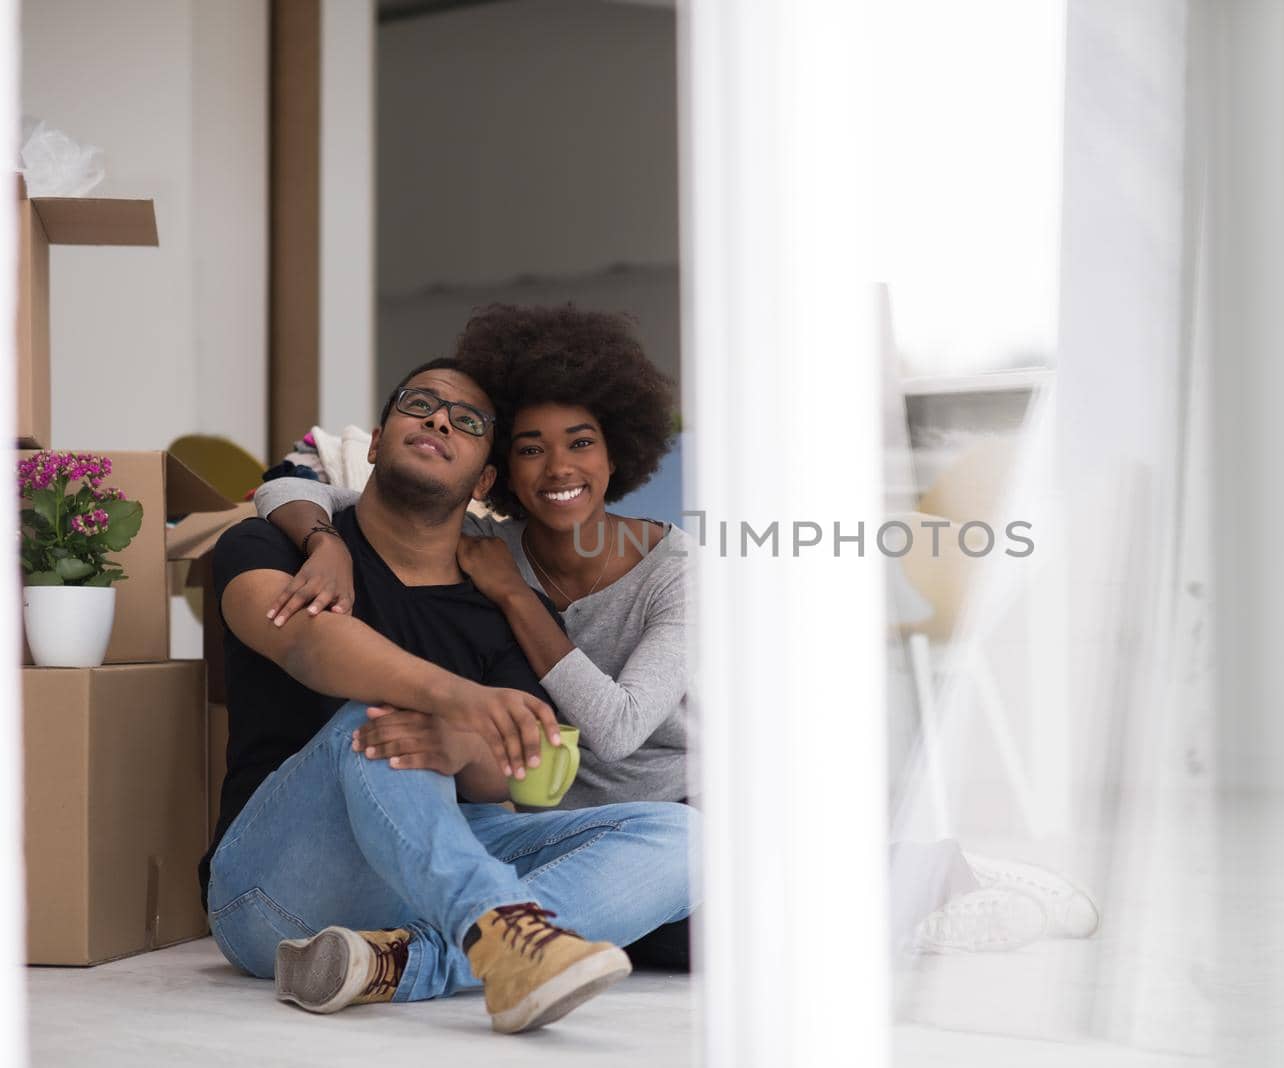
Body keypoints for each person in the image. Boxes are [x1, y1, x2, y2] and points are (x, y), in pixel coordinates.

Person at [254, 304, 1094, 963]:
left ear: (618, 454)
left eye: (581, 444)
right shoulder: (479, 547)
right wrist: (320, 540)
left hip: (690, 802)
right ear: (499, 471)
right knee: (639, 935)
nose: (560, 471)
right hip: (572, 816)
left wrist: (517, 601)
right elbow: (303, 478)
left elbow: (617, 729)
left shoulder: (673, 571)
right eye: (533, 450)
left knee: (689, 942)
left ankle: (935, 873)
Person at [204, 356, 696, 1034]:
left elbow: (513, 776)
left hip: (419, 881)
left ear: (485, 478)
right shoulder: (271, 544)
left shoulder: (502, 603)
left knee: (687, 837)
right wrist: (458, 703)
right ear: (375, 443)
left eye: (467, 421)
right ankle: (497, 937)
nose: (440, 419)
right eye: (420, 404)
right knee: (379, 720)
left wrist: (463, 742)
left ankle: (413, 963)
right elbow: (309, 644)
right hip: (271, 891)